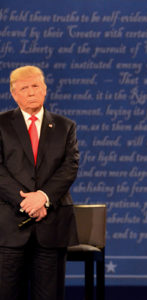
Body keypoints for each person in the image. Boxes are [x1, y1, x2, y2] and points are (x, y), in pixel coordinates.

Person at [0, 65, 80, 300]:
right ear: (14, 94)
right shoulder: (1, 125)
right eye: (24, 88)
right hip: (8, 228)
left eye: (36, 86)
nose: (31, 92)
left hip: (52, 226)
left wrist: (43, 197)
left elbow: (69, 167)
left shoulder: (66, 127)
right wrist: (26, 202)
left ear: (45, 90)